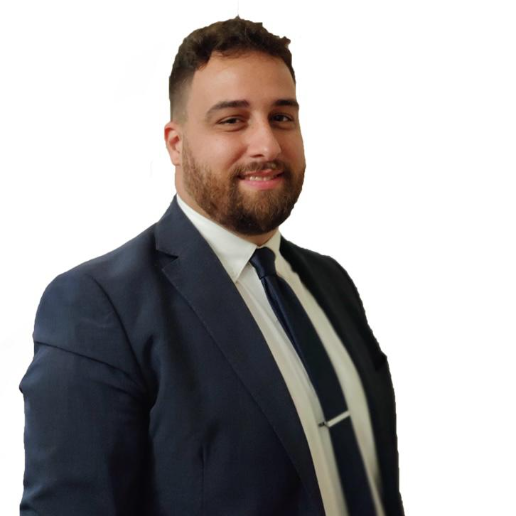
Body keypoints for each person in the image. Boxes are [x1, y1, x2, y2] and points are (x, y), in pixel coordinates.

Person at [19, 17, 404, 516]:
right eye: (232, 120)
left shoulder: (332, 283)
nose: (268, 145)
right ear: (176, 144)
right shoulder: (98, 307)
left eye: (282, 117)